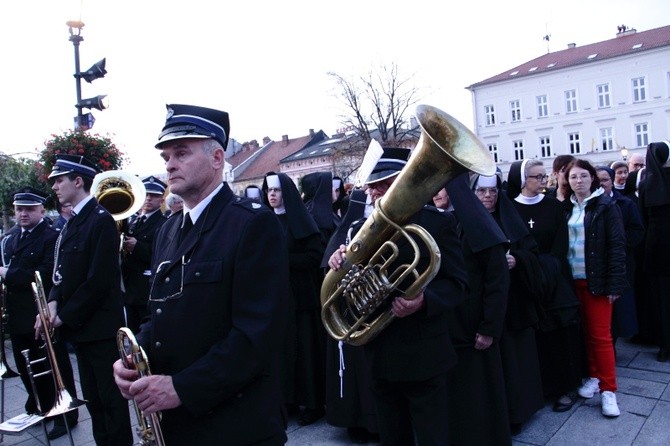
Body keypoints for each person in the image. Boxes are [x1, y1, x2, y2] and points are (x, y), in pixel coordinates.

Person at [113, 104, 289, 444]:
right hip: (177, 420)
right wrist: (134, 358)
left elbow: (257, 335)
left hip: (235, 424)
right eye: (166, 156)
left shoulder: (252, 224)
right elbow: (160, 311)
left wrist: (182, 387)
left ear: (217, 158)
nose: (169, 164)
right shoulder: (168, 230)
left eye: (181, 153)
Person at [328, 147, 468, 445]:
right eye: (372, 185)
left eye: (384, 184)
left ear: (404, 182)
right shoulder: (358, 230)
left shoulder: (437, 223)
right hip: (380, 353)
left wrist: (424, 300)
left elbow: (457, 284)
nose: (375, 192)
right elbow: (349, 292)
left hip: (424, 352)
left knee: (433, 437)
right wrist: (341, 265)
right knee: (391, 437)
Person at [46, 154, 133, 444]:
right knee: (94, 402)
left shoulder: (100, 220)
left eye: (60, 180)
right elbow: (61, 271)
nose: (55, 187)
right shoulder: (72, 223)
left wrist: (65, 315)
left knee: (111, 401)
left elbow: (98, 281)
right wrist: (53, 301)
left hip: (99, 330)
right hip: (81, 329)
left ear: (78, 181)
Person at [0, 187, 80, 440]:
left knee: (52, 364)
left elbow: (46, 274)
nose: (23, 214)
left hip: (41, 312)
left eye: (29, 209)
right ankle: (40, 406)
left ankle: (65, 415)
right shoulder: (13, 237)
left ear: (41, 210)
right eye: (19, 209)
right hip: (18, 313)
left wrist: (6, 274)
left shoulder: (52, 236)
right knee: (26, 366)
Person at [507, 159, 583, 413]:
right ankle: (539, 389)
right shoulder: (509, 209)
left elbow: (560, 248)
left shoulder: (553, 207)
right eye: (536, 177)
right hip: (522, 285)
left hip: (552, 280)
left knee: (560, 337)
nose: (543, 182)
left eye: (543, 177)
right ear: (521, 180)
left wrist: (542, 272)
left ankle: (564, 388)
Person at [442, 173, 512, 444]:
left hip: (476, 328)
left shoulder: (483, 229)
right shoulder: (449, 222)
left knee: (482, 391)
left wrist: (488, 328)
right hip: (454, 325)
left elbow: (498, 284)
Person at [473, 173, 545, 433]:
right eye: (482, 191)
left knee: (516, 360)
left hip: (514, 304)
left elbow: (533, 254)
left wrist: (517, 259)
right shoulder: (465, 221)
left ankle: (518, 411)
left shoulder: (509, 218)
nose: (488, 197)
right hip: (484, 303)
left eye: (492, 192)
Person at [262, 171, 326, 426]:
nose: (272, 195)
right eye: (269, 191)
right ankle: (286, 400)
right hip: (276, 299)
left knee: (305, 351)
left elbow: (314, 255)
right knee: (282, 353)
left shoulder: (301, 220)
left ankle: (311, 403)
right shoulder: (264, 220)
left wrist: (282, 261)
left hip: (301, 298)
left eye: (276, 190)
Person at [564, 159, 626, 417]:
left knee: (601, 337)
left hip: (597, 281)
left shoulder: (606, 206)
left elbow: (617, 246)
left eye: (583, 176)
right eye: (573, 177)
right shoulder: (565, 208)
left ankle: (609, 390)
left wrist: (615, 283)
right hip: (572, 279)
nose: (578, 181)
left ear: (593, 179)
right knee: (586, 334)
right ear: (567, 182)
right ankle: (594, 376)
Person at [322, 188, 380, 443]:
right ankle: (359, 420)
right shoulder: (353, 227)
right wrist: (337, 259)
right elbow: (336, 266)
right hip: (356, 307)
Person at [595, 166, 644, 344]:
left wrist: (618, 243)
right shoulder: (588, 204)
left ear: (611, 181)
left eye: (605, 180)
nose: (601, 184)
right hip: (597, 264)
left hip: (621, 261)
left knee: (619, 308)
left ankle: (613, 341)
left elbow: (637, 231)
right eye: (597, 180)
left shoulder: (626, 203)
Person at [121, 176, 168, 333]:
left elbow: (162, 255)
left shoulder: (163, 223)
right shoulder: (134, 221)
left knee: (146, 333)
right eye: (146, 194)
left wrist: (137, 246)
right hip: (131, 287)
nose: (148, 199)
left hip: (145, 289)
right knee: (133, 331)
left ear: (161, 200)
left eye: (154, 196)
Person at [638, 141, 670, 362]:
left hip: (656, 248)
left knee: (661, 299)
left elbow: (642, 219)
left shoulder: (648, 183)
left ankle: (664, 345)